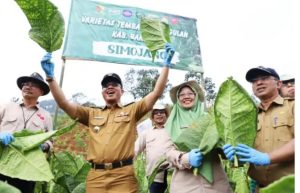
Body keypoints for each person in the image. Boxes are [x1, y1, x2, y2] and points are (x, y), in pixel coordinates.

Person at [40, 44, 175, 193]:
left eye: (114, 84)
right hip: (96, 177)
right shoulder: (91, 114)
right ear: (102, 92)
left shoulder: (132, 110)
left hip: (123, 176)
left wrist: (166, 66)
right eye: (105, 85)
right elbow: (64, 104)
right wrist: (50, 79)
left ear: (122, 91)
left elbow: (156, 93)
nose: (109, 87)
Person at [223, 66, 294, 192]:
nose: (259, 82)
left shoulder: (293, 106)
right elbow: (245, 150)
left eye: (264, 78)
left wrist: (267, 157)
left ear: (278, 84)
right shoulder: (248, 116)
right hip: (259, 188)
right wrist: (233, 153)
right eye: (254, 81)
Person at [162, 80, 233, 193]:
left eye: (190, 93)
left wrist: (227, 150)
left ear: (196, 96)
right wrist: (185, 158)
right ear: (178, 98)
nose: (186, 97)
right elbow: (167, 151)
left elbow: (222, 143)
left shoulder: (210, 118)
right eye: (182, 94)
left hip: (216, 184)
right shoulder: (171, 123)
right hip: (185, 185)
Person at [0, 72, 53, 193]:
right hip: (1, 160)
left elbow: (50, 141)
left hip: (27, 167)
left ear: (42, 92)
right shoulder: (6, 107)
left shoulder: (46, 116)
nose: (28, 87)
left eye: (33, 85)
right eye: (26, 84)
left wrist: (43, 146)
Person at [134, 103, 170, 193]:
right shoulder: (146, 133)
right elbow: (135, 150)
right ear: (152, 117)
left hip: (173, 173)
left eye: (162, 112)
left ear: (166, 115)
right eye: (156, 113)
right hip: (155, 176)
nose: (159, 114)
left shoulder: (173, 130)